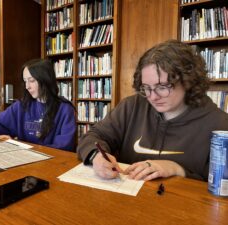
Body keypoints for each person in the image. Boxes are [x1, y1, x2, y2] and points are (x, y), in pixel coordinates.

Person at [77, 39, 228, 181]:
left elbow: (221, 185)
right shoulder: (132, 107)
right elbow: (94, 136)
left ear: (188, 81)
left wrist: (178, 170)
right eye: (146, 88)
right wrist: (96, 156)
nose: (153, 97)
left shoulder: (220, 125)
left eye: (162, 87)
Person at [0, 59, 76, 151]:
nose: (27, 86)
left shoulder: (65, 109)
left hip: (52, 167)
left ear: (46, 80)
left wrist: (17, 144)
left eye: (32, 80)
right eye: (25, 81)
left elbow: (64, 148)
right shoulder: (21, 106)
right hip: (24, 164)